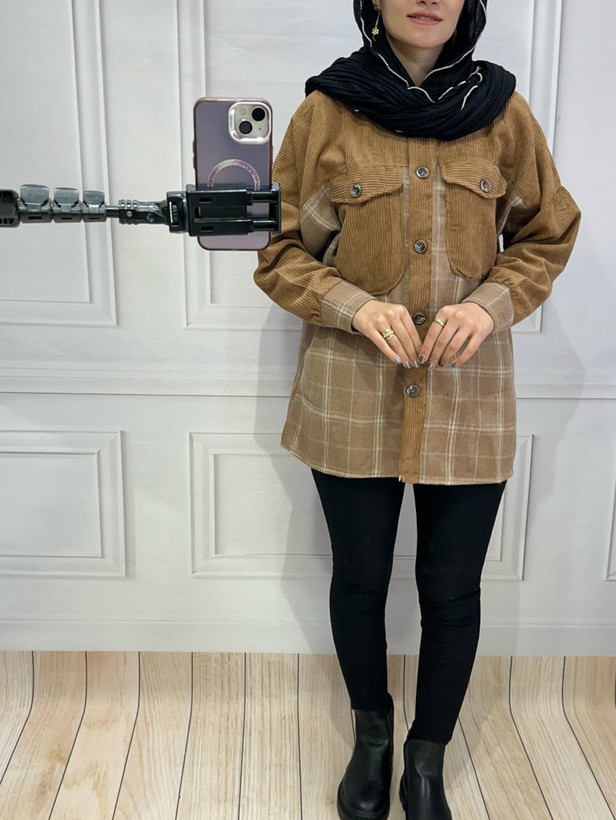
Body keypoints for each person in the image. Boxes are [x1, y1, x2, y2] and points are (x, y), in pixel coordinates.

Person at [253, 1, 581, 818]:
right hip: (350, 389)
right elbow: (278, 247)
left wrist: (491, 304)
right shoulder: (325, 114)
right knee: (359, 580)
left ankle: (425, 762)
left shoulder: (503, 115)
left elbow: (547, 234)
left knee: (452, 589)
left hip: (468, 396)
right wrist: (351, 304)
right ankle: (371, 740)